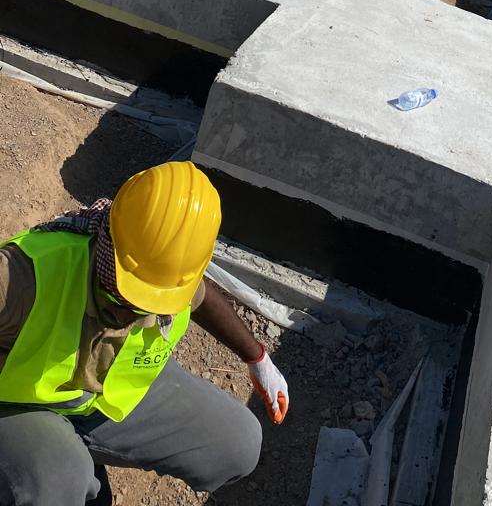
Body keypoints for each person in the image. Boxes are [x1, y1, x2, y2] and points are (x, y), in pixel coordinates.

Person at [0, 162, 287, 505]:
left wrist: (258, 358)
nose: (129, 315)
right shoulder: (23, 277)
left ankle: (71, 453)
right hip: (15, 406)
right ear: (108, 241)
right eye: (123, 295)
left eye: (151, 303)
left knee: (238, 441)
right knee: (57, 478)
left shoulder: (169, 275)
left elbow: (201, 298)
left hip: (103, 399)